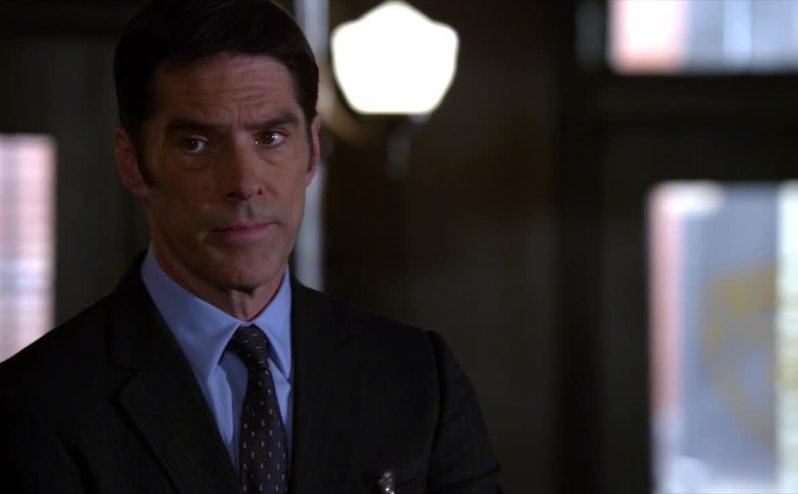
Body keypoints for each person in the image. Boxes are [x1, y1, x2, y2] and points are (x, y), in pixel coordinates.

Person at [0, 1, 500, 492]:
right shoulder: (38, 404)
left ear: (312, 152)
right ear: (132, 163)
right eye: (196, 144)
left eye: (270, 138)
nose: (243, 182)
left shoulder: (417, 377)